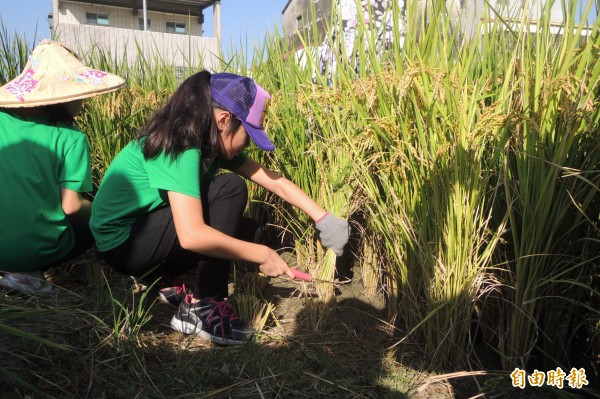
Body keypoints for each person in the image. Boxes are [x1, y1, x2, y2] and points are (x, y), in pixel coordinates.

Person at [90, 71, 350, 345]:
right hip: (122, 244)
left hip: (145, 232)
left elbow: (273, 181)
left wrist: (323, 218)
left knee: (248, 231)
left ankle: (165, 277)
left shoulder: (209, 143)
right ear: (224, 120)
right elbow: (191, 235)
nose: (248, 145)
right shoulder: (181, 145)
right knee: (230, 188)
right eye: (248, 136)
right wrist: (262, 255)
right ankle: (202, 307)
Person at [0, 40, 125, 294]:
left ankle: (21, 272)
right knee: (89, 226)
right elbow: (72, 205)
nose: (84, 99)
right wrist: (105, 212)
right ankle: (30, 271)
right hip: (35, 251)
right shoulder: (71, 138)